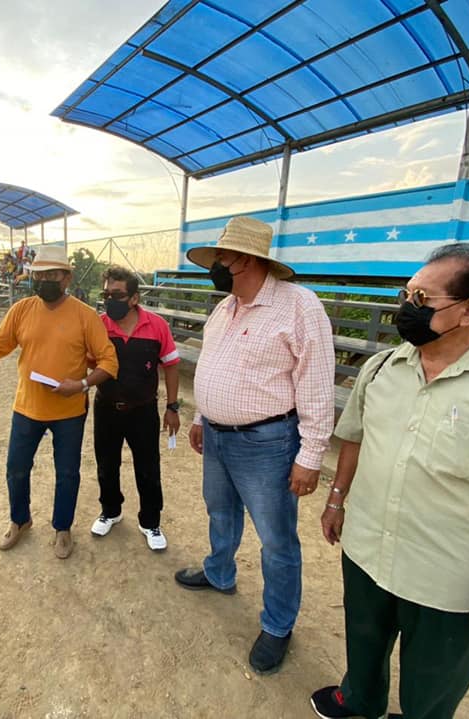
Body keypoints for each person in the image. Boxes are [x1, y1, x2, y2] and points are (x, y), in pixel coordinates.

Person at [310, 243, 469, 719]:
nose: (408, 307)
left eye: (423, 299)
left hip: (447, 583)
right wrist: (337, 500)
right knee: (363, 643)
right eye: (407, 295)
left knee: (430, 691)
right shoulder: (381, 368)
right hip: (366, 550)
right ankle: (360, 699)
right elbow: (356, 438)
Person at [174, 216, 335, 675]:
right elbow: (213, 365)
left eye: (221, 258)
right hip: (218, 437)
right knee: (220, 512)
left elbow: (317, 386)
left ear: (245, 260)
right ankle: (219, 571)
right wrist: (202, 417)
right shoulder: (225, 308)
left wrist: (310, 456)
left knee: (276, 540)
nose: (216, 266)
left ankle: (278, 624)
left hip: (267, 443)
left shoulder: (299, 306)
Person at [0, 245, 118, 559]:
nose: (44, 280)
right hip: (27, 407)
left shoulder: (85, 316)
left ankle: (62, 527)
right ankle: (20, 520)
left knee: (67, 473)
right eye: (39, 275)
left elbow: (109, 362)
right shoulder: (22, 310)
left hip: (69, 411)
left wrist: (81, 384)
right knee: (16, 468)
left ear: (66, 278)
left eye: (52, 275)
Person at [90, 265, 181, 551]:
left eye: (117, 294)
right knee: (106, 463)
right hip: (106, 407)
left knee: (148, 467)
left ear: (134, 298)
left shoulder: (157, 326)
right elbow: (88, 362)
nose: (110, 300)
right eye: (107, 294)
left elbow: (171, 366)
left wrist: (172, 407)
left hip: (143, 410)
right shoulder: (99, 325)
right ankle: (110, 511)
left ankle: (150, 521)